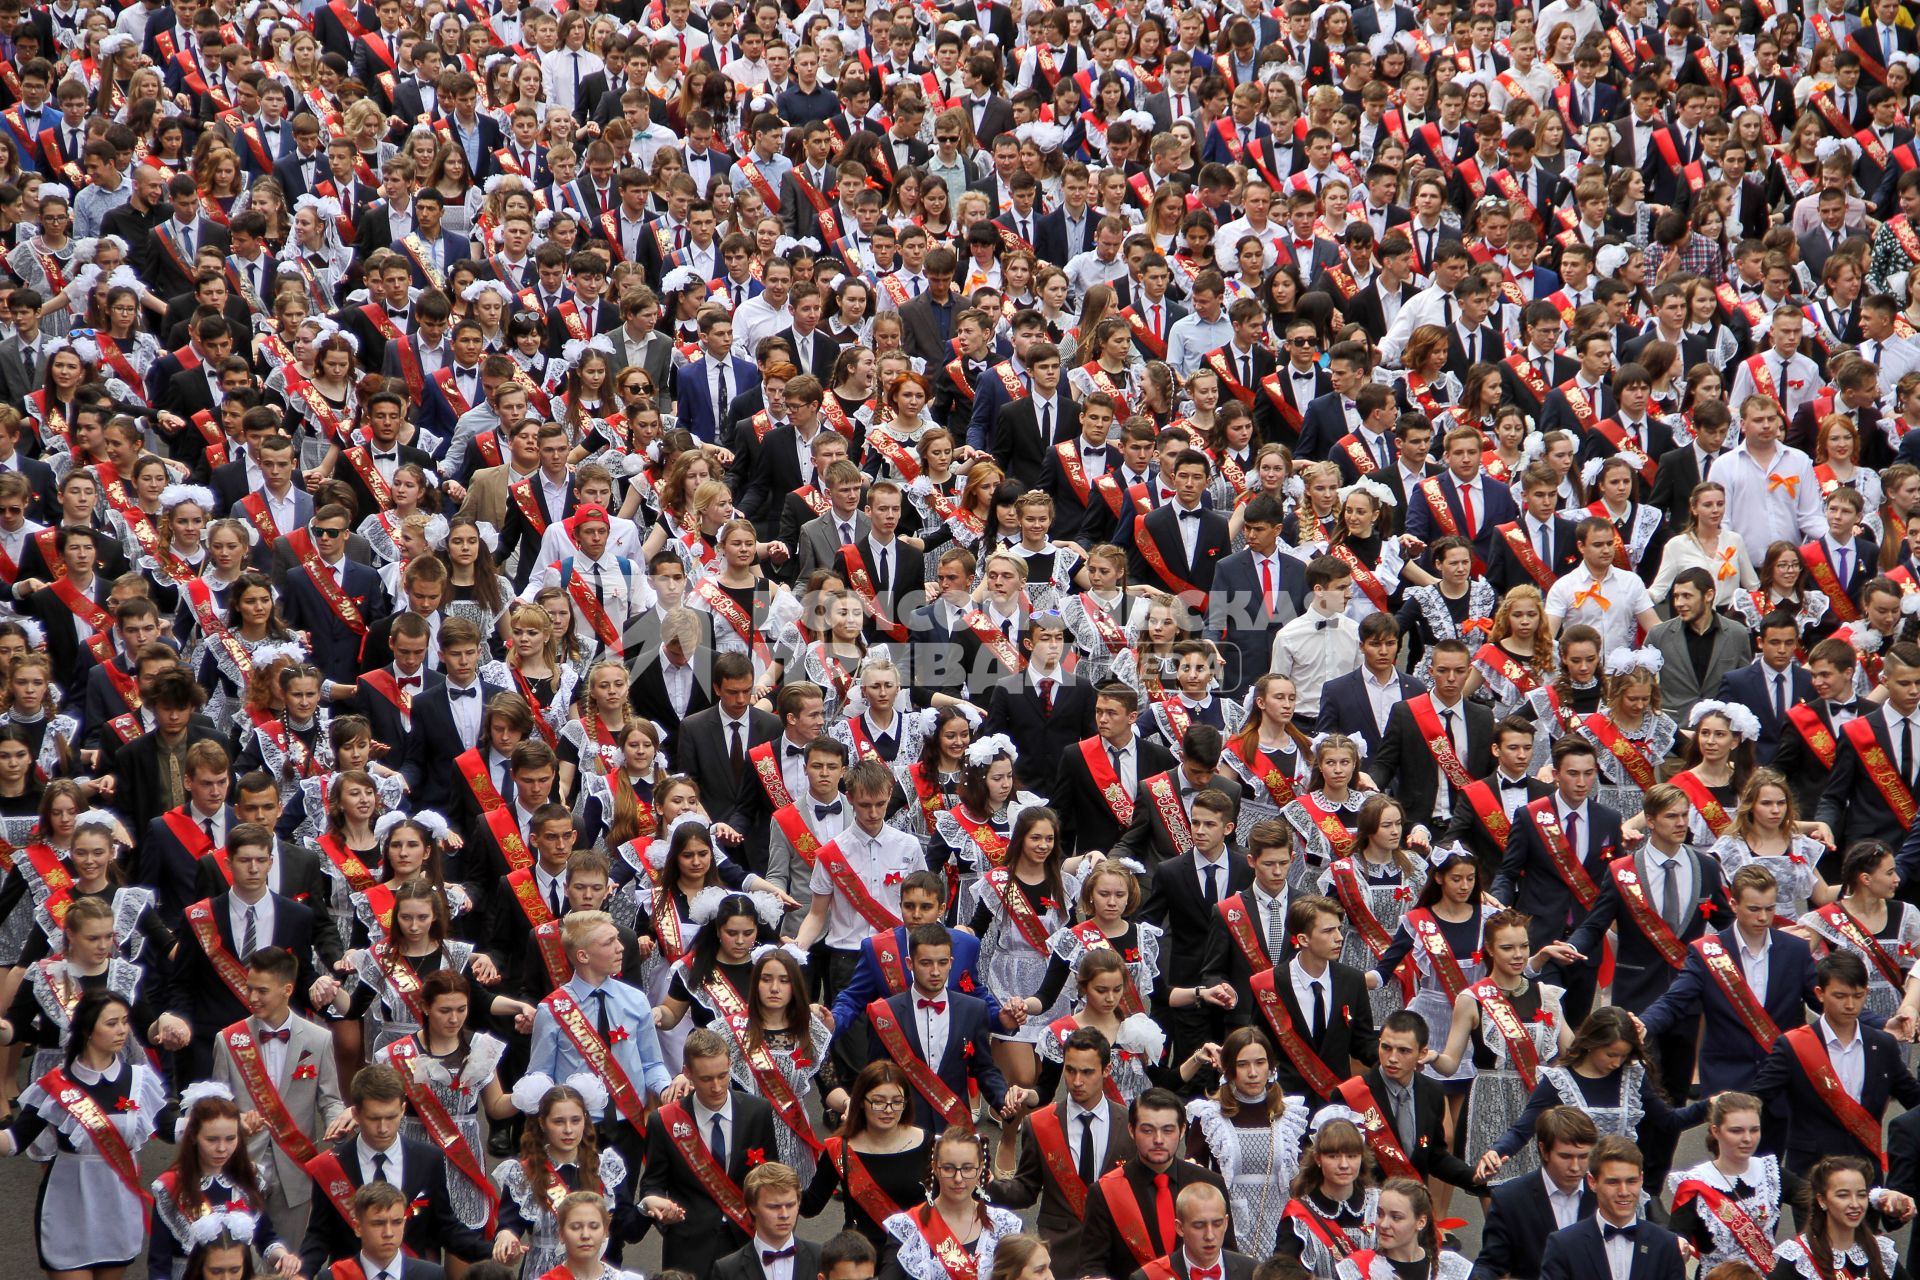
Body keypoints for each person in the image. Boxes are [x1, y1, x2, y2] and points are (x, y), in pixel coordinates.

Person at [1080, 1088, 1235, 1280]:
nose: (1158, 1140)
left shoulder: (1210, 1183)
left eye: (1168, 1130)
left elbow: (1229, 1257)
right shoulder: (1105, 1191)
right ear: (1131, 1130)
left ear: (1182, 1130)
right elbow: (1093, 1266)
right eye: (1147, 1130)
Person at [1536, 1137, 1686, 1280]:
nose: (1624, 1192)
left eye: (1631, 1181)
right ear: (1592, 1182)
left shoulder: (1666, 1245)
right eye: (1613, 1182)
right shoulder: (1564, 1245)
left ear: (1641, 1179)